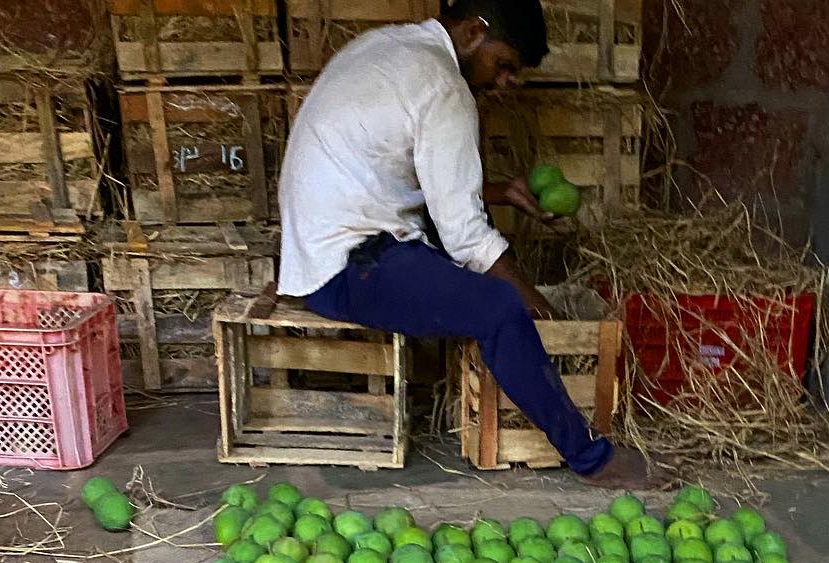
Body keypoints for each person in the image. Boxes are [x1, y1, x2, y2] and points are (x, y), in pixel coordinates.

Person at [277, 0, 650, 486]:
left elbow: (401, 173)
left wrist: (494, 191)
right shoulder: (444, 87)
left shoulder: (387, 45)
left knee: (479, 270)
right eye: (504, 66)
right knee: (497, 307)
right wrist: (532, 304)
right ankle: (591, 458)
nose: (504, 83)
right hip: (348, 269)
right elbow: (466, 236)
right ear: (475, 31)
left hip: (319, 249)